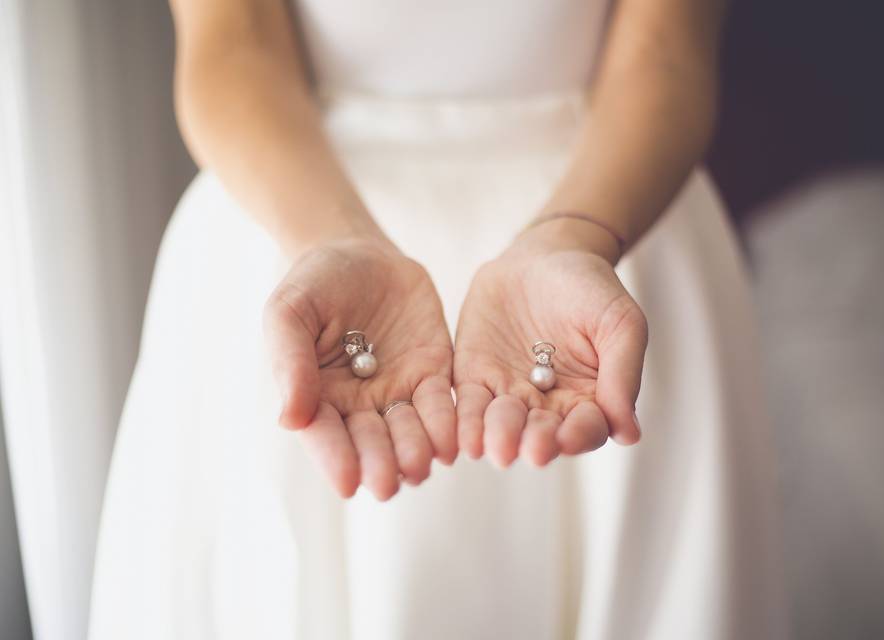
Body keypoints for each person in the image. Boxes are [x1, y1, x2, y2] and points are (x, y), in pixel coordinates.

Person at [88, 1, 784, 638]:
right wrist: (332, 238)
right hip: (295, 205)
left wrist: (576, 233)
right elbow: (230, 48)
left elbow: (665, 53)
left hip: (612, 210)